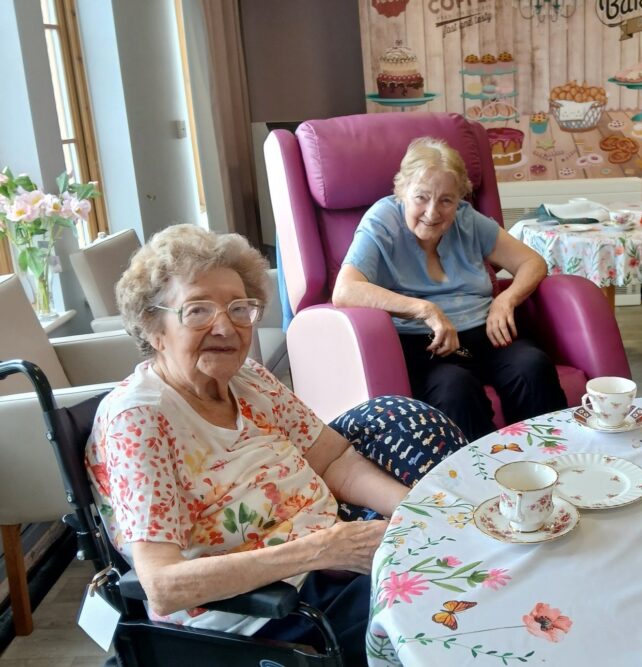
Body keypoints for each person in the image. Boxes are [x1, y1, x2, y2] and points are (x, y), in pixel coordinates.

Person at [85, 224, 468, 666]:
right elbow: (163, 585)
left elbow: (335, 459)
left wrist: (419, 512)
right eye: (197, 311)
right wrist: (324, 548)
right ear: (154, 328)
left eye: (238, 308)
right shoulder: (139, 420)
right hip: (266, 612)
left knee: (462, 562)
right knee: (450, 609)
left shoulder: (249, 379)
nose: (225, 327)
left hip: (330, 563)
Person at [333, 136, 567, 441]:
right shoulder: (382, 220)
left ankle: (551, 461)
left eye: (446, 200)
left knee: (532, 365)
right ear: (401, 190)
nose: (433, 212)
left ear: (459, 199)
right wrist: (424, 309)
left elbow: (532, 262)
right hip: (425, 344)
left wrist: (505, 300)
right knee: (455, 387)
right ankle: (481, 480)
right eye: (421, 197)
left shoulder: (467, 220)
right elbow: (345, 291)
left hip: (486, 333)